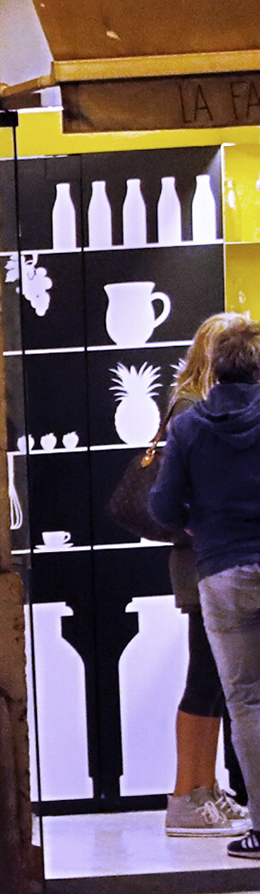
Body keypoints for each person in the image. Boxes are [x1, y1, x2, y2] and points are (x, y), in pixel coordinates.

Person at [151, 317, 260, 862]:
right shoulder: (188, 411)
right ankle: (190, 793)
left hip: (215, 564)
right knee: (206, 680)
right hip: (202, 566)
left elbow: (164, 505)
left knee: (235, 694)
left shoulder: (193, 417)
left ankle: (208, 793)